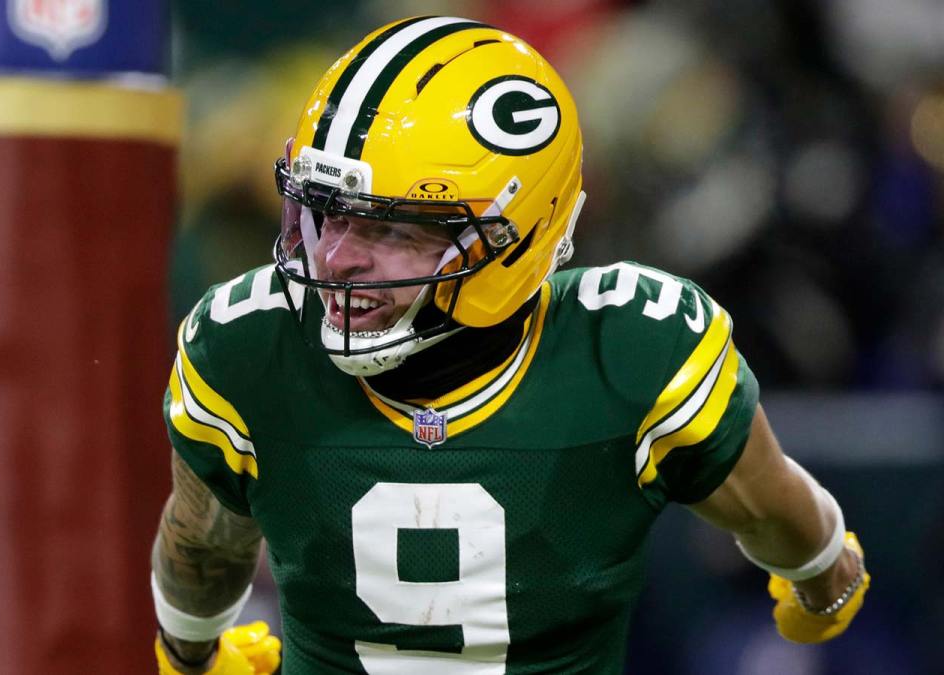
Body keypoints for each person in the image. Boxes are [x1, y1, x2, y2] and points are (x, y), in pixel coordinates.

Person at [151, 16, 870, 675]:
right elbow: (786, 523)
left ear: (516, 238)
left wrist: (191, 652)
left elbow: (201, 557)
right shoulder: (250, 346)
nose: (336, 258)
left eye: (392, 229)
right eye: (324, 210)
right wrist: (822, 575)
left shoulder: (628, 353)